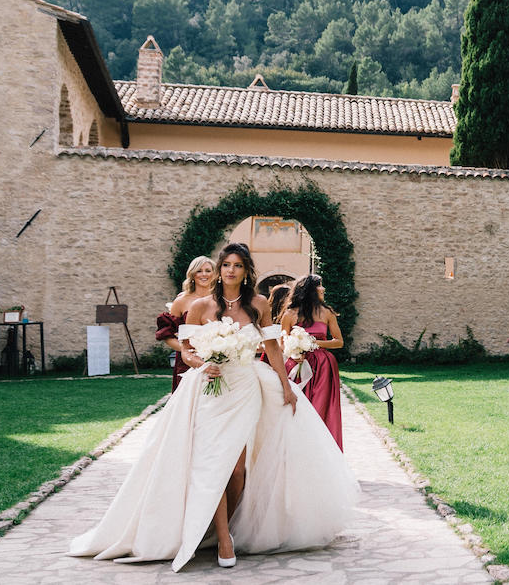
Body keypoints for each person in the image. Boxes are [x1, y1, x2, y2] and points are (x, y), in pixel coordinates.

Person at [71, 242, 356, 571]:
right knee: (213, 466)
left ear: (246, 270)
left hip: (246, 386)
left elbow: (272, 349)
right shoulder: (201, 306)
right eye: (226, 265)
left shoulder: (259, 305)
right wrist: (201, 364)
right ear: (220, 270)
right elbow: (187, 350)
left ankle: (228, 525)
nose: (230, 271)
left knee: (236, 471)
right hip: (210, 389)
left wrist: (284, 385)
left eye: (237, 265)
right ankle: (223, 538)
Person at [280, 275, 345, 449]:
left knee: (320, 407)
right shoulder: (290, 314)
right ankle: (295, 448)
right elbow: (281, 342)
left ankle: (319, 449)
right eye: (320, 286)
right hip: (296, 364)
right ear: (310, 290)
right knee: (296, 407)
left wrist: (311, 343)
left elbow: (338, 342)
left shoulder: (327, 312)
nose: (323, 289)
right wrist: (294, 352)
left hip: (323, 367)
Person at [155, 256, 215, 391]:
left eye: (208, 270)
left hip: (216, 359)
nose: (204, 274)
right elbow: (167, 335)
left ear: (214, 274)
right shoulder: (182, 300)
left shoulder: (221, 299)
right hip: (187, 362)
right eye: (199, 271)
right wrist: (187, 351)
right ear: (192, 274)